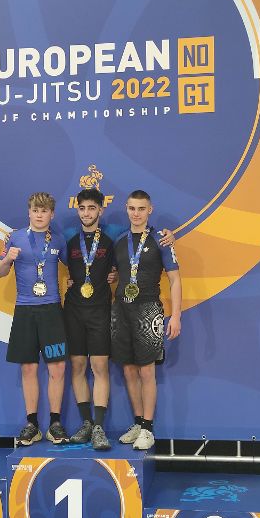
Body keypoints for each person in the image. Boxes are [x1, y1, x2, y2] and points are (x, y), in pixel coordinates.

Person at [64, 187, 176, 450]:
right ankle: (101, 423)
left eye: (92, 208)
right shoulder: (71, 239)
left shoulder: (119, 236)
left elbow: (145, 249)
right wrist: (12, 237)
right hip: (96, 311)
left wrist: (171, 235)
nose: (136, 213)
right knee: (109, 369)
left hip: (127, 310)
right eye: (132, 209)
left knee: (132, 370)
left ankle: (129, 427)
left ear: (101, 211)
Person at [0, 192, 69, 446]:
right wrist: (8, 258)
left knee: (57, 368)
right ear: (29, 212)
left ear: (52, 214)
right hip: (25, 311)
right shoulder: (15, 238)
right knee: (28, 368)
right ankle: (32, 424)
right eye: (35, 210)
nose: (39, 215)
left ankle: (55, 423)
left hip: (51, 312)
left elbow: (77, 267)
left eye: (44, 211)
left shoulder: (58, 239)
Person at [111, 190, 181, 450]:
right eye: (132, 208)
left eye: (141, 209)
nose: (136, 213)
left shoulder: (162, 240)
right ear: (126, 209)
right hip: (121, 310)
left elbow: (175, 280)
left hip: (149, 310)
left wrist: (176, 315)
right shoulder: (119, 241)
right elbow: (114, 273)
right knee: (129, 370)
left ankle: (148, 429)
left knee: (147, 370)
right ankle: (139, 423)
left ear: (150, 210)